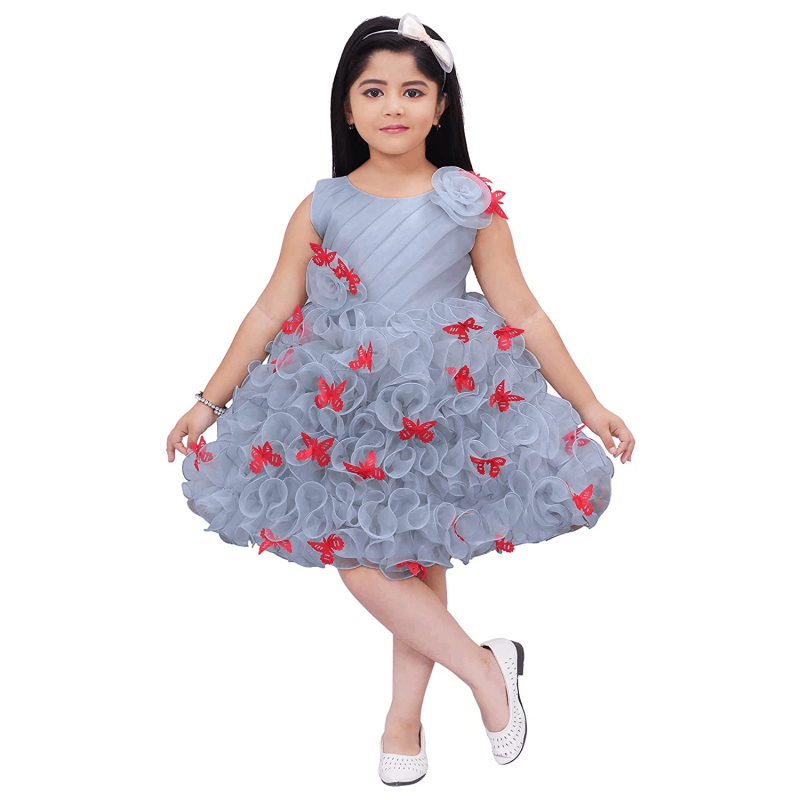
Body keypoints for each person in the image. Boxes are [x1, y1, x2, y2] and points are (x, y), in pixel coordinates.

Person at [166, 12, 634, 785]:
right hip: (339, 402)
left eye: (413, 91)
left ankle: (403, 720)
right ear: (347, 107)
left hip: (439, 397)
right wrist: (208, 402)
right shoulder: (321, 204)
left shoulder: (468, 202)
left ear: (441, 106)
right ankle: (484, 671)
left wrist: (589, 404)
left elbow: (523, 311)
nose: (393, 105)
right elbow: (270, 308)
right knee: (357, 551)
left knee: (415, 549)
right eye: (373, 90)